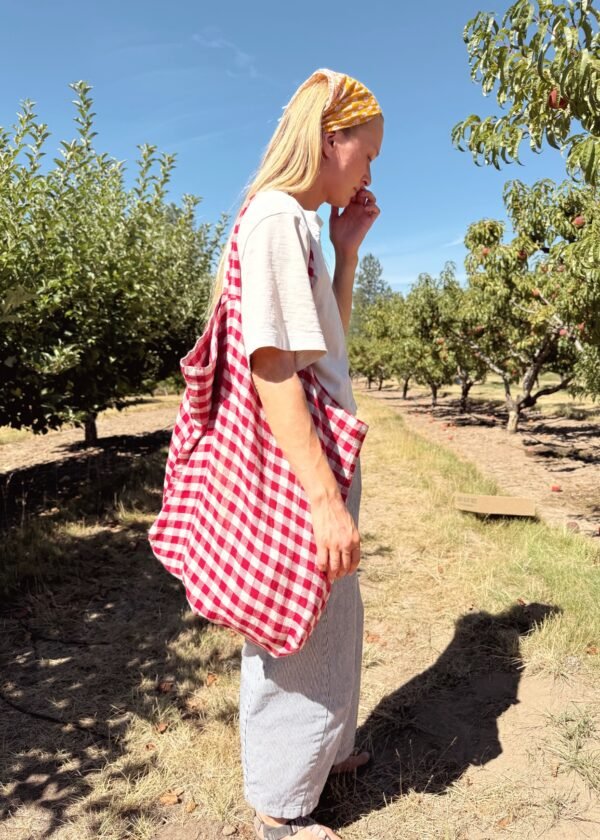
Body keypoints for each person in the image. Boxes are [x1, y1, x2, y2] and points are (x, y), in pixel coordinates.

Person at [207, 68, 384, 840]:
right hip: (295, 463)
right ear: (329, 139)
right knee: (296, 628)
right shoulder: (276, 218)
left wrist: (345, 252)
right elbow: (273, 364)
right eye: (368, 154)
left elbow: (323, 345)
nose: (371, 171)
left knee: (334, 612)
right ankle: (280, 806)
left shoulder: (302, 226)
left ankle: (325, 749)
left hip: (317, 450)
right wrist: (319, 499)